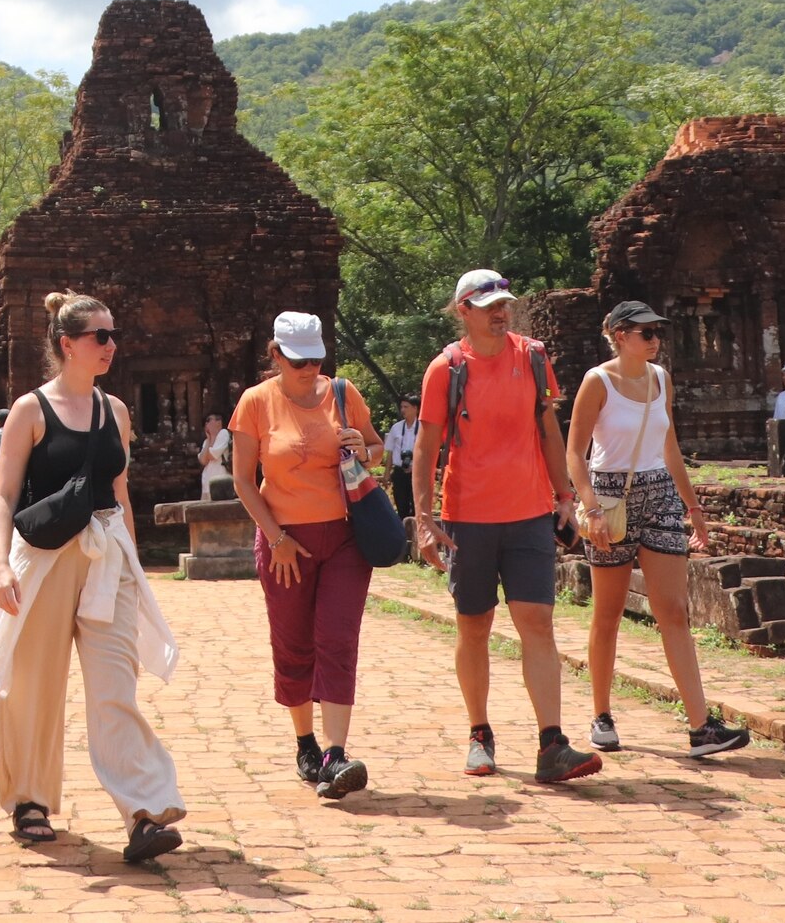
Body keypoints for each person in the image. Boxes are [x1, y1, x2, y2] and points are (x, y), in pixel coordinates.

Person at [0, 292, 186, 865]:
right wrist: (0, 564)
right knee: (33, 684)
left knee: (113, 687)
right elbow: (3, 496)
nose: (111, 344)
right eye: (100, 336)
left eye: (113, 334)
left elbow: (120, 494)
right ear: (66, 344)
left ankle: (145, 812)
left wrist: (135, 564)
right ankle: (30, 799)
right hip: (44, 558)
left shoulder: (116, 412)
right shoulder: (30, 410)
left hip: (107, 557)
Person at [409, 268, 597, 784]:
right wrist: (425, 520)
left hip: (530, 514)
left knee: (536, 623)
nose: (500, 312)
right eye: (488, 304)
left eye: (504, 303)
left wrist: (565, 497)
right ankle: (479, 733)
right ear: (462, 310)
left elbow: (548, 430)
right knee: (474, 626)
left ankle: (551, 743)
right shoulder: (445, 369)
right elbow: (425, 450)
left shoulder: (532, 357)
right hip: (468, 518)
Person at [568, 302, 750, 760]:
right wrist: (589, 509)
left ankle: (700, 726)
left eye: (657, 332)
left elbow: (669, 445)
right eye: (645, 332)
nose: (654, 340)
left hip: (661, 494)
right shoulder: (599, 381)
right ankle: (602, 714)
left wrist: (693, 506)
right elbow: (575, 452)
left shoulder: (661, 379)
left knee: (673, 611)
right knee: (608, 611)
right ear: (618, 334)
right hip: (611, 497)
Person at [229, 311, 381, 801]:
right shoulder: (255, 403)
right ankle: (306, 742)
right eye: (297, 361)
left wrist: (365, 447)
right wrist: (276, 537)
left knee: (337, 640)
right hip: (284, 541)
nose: (309, 368)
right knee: (294, 645)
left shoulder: (342, 393)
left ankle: (337, 754)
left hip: (344, 536)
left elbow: (377, 449)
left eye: (316, 359)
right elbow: (242, 482)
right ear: (275, 355)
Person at [382, 397, 421, 528]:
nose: (403, 410)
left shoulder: (423, 428)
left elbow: (429, 452)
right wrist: (387, 473)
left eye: (406, 407)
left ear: (415, 408)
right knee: (401, 505)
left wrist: (415, 466)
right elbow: (390, 452)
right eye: (402, 407)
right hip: (399, 471)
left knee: (416, 506)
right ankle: (404, 537)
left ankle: (416, 538)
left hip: (418, 472)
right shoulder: (397, 428)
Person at [196, 414, 233, 500]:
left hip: (220, 481)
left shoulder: (223, 434)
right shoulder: (206, 441)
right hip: (206, 482)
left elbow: (212, 456)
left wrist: (212, 436)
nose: (207, 424)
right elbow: (203, 461)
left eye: (209, 420)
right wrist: (210, 439)